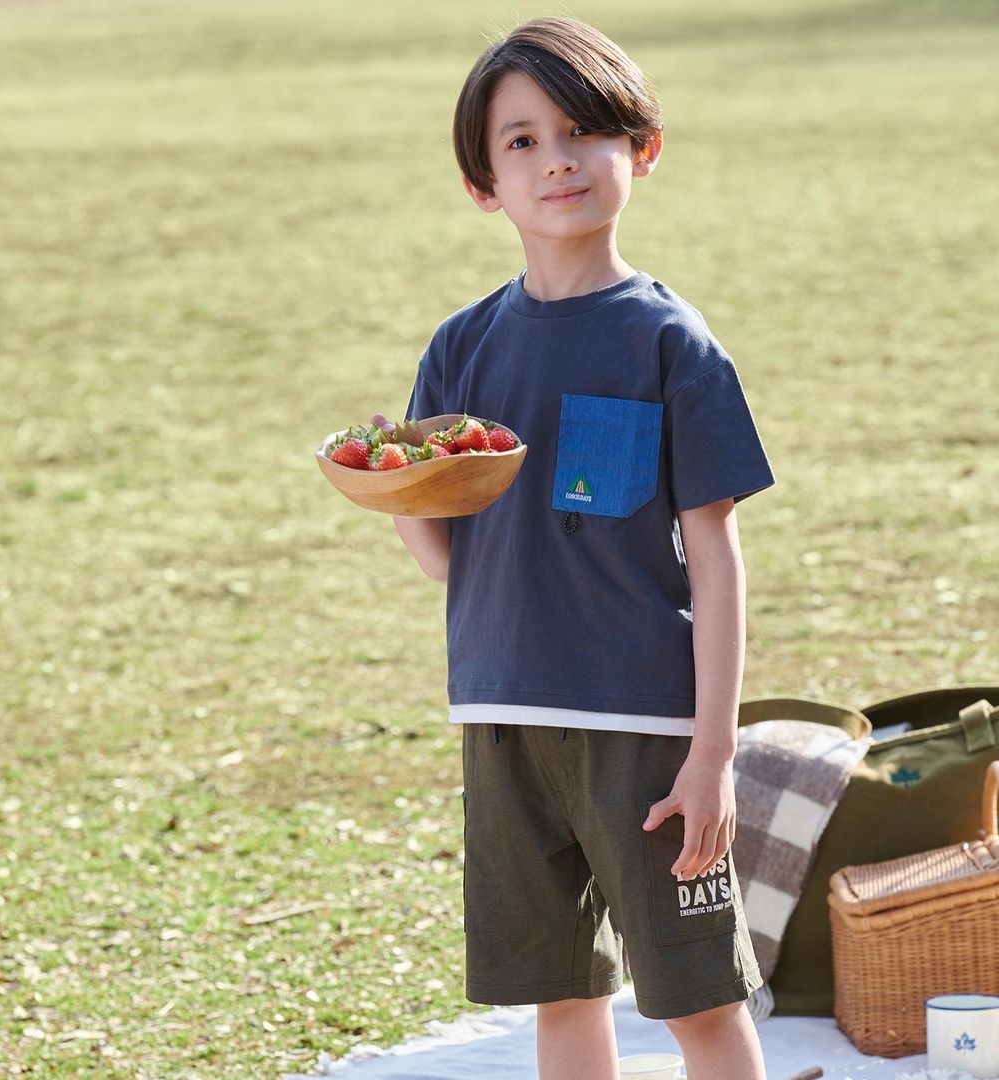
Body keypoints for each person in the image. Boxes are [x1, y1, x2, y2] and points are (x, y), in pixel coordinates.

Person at [391, 16, 775, 1080]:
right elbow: (448, 559)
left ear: (640, 150)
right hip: (503, 712)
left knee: (698, 992)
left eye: (584, 130)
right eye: (520, 141)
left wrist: (713, 754)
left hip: (643, 728)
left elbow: (717, 559)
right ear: (484, 184)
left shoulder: (670, 343)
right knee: (558, 993)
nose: (556, 158)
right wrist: (390, 490)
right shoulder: (461, 347)